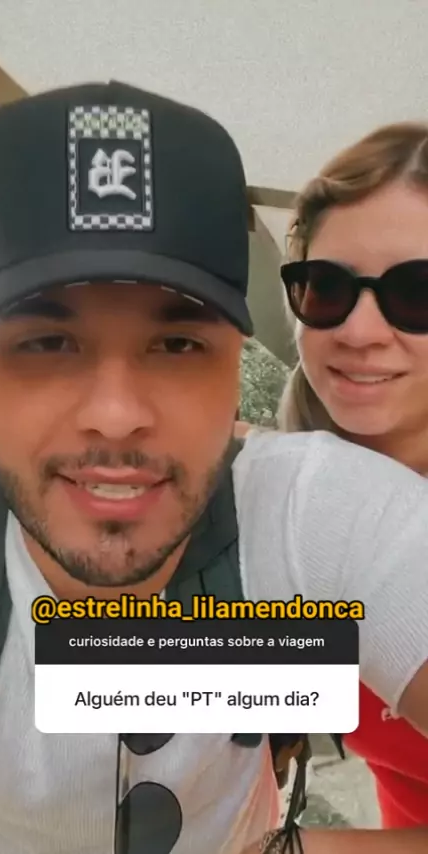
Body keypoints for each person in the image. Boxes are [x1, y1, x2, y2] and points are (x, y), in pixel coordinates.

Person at [0, 83, 428, 854]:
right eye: (328, 290)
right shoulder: (273, 481)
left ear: (233, 358)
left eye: (177, 344)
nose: (360, 332)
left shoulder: (325, 511)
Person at [277, 121, 428, 831]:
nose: (358, 332)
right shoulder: (292, 498)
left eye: (418, 292)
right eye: (327, 287)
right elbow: (102, 683)